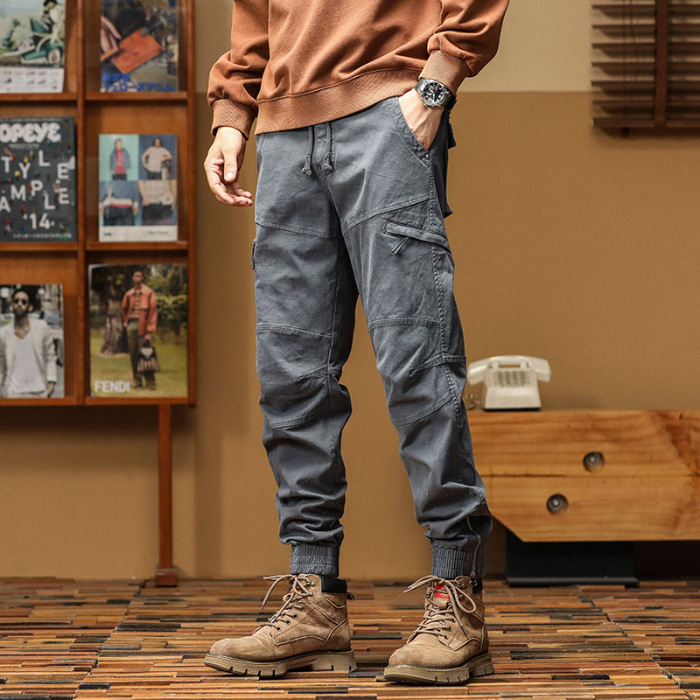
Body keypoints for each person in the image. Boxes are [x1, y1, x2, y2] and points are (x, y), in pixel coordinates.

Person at [203, 0, 509, 686]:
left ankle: (456, 597)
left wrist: (436, 88)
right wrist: (232, 116)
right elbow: (254, 14)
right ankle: (314, 599)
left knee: (418, 365)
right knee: (292, 377)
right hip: (283, 135)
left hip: (387, 115)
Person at [0, 288, 57, 398]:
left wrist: (51, 383)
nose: (19, 304)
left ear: (30, 307)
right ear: (12, 306)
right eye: (16, 301)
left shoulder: (41, 328)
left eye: (23, 302)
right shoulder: (3, 333)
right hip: (13, 393)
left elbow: (50, 356)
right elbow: (1, 364)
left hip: (39, 392)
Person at [121, 270, 157, 390]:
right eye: (135, 276)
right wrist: (126, 321)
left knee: (146, 354)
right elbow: (124, 308)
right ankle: (137, 381)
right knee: (133, 355)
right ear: (133, 278)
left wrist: (149, 332)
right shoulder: (129, 294)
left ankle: (150, 384)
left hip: (143, 326)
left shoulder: (149, 292)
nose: (137, 278)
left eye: (139, 276)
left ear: (142, 278)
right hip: (132, 325)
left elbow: (153, 312)